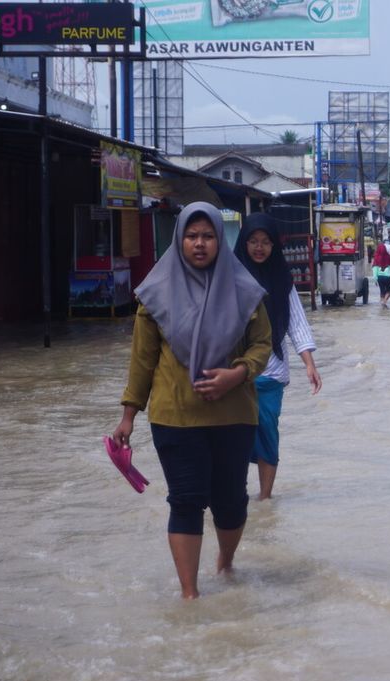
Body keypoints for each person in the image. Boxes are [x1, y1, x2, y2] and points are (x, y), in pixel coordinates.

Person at [111, 202, 272, 600]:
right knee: (185, 500)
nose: (199, 244)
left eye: (208, 236)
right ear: (179, 239)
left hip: (234, 415)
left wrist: (236, 375)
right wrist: (128, 415)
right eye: (191, 235)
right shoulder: (155, 293)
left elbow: (263, 345)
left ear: (220, 239)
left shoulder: (245, 291)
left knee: (231, 501)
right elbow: (142, 360)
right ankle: (190, 595)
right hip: (175, 416)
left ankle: (225, 563)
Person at [234, 213, 323, 500]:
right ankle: (234, 496)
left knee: (268, 435)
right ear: (244, 243)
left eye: (266, 242)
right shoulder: (229, 279)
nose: (259, 248)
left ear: (274, 246)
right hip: (234, 375)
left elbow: (296, 323)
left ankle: (265, 499)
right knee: (232, 438)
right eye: (253, 241)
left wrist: (309, 364)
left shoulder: (282, 280)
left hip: (271, 373)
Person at [372, 233, 390, 307]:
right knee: (389, 291)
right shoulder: (387, 256)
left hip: (379, 277)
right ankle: (384, 302)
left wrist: (375, 279)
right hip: (387, 277)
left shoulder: (376, 258)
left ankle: (381, 302)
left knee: (382, 291)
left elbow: (374, 268)